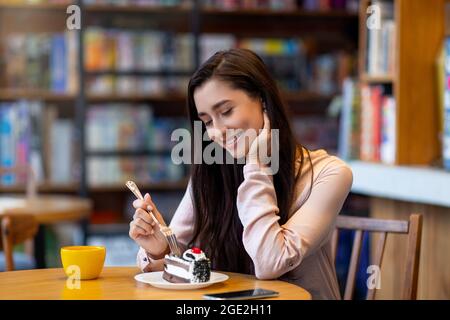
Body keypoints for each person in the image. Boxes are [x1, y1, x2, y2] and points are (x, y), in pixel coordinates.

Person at [129, 48, 353, 299]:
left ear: (264, 102)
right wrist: (160, 250)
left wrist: (258, 166)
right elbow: (177, 260)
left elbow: (270, 263)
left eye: (226, 112)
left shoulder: (329, 174)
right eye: (208, 121)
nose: (217, 132)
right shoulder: (212, 173)